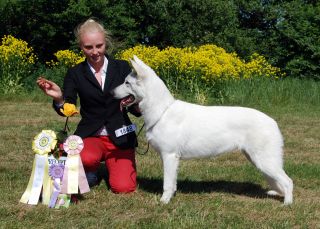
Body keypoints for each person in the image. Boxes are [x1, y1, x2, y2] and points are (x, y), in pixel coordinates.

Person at [37, 18, 140, 194]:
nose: (95, 52)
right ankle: (90, 170)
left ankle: (111, 167)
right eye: (88, 47)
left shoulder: (122, 68)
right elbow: (68, 106)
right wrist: (59, 98)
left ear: (105, 43)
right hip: (91, 135)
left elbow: (132, 103)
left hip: (120, 137)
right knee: (86, 158)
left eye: (99, 46)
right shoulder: (75, 73)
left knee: (124, 188)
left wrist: (139, 104)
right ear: (81, 47)